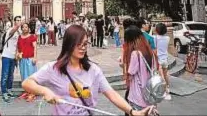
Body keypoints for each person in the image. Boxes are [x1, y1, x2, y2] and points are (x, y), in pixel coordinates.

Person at [22, 25, 155, 116]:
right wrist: (45, 91)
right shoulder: (54, 68)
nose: (82, 48)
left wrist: (133, 112)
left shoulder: (93, 70)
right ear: (68, 44)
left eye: (85, 44)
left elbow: (111, 94)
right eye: (78, 44)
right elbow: (27, 83)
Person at [123, 26, 158, 112]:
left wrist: (123, 66)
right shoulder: (151, 53)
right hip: (150, 95)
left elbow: (130, 75)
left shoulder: (136, 54)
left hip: (137, 96)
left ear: (131, 40)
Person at [1, 15, 22, 102]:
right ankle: (4, 92)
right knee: (5, 75)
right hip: (6, 55)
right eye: (17, 20)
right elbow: (12, 32)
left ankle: (9, 89)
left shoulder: (18, 33)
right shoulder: (10, 29)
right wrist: (17, 26)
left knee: (11, 75)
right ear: (14, 22)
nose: (19, 22)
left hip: (13, 57)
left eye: (20, 20)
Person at [17, 22, 38, 102]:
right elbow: (18, 48)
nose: (24, 28)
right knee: (24, 76)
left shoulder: (32, 37)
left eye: (26, 27)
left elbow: (35, 47)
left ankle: (32, 93)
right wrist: (18, 54)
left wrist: (35, 57)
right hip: (22, 59)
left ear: (28, 28)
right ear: (21, 28)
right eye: (23, 27)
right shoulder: (19, 37)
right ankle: (27, 92)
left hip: (30, 59)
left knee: (30, 76)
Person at [154, 23, 171, 100]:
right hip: (165, 58)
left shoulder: (155, 38)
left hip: (159, 59)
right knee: (166, 74)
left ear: (157, 30)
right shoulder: (167, 38)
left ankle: (166, 92)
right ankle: (167, 87)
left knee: (162, 76)